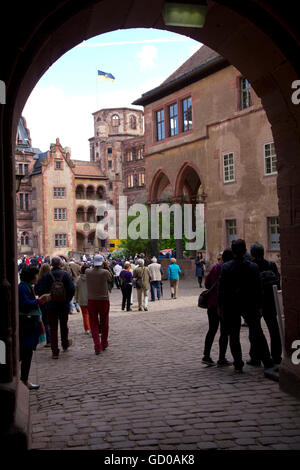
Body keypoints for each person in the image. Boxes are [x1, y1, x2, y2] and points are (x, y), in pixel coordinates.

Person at [218, 239, 274, 373]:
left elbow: (222, 289)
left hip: (232, 304)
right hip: (250, 303)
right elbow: (258, 288)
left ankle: (238, 363)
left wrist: (221, 307)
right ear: (245, 251)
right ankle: (267, 360)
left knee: (234, 334)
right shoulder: (253, 267)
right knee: (257, 332)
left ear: (232, 251)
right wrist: (260, 305)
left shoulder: (226, 267)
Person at [250, 242, 282, 366]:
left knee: (255, 331)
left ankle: (256, 357)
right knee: (274, 330)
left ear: (252, 254)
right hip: (270, 301)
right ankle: (276, 356)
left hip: (257, 303)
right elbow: (277, 282)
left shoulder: (252, 267)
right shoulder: (271, 264)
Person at [19, 266, 50, 389]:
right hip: (27, 323)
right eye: (36, 275)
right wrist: (39, 300)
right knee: (26, 352)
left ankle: (24, 378)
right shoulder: (23, 288)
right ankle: (24, 379)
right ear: (31, 277)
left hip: (30, 322)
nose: (37, 277)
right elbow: (25, 305)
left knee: (27, 352)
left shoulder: (27, 287)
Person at [37, 256, 75, 359]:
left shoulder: (47, 276)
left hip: (51, 305)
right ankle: (65, 344)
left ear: (51, 264)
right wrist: (67, 300)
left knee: (52, 328)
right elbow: (71, 289)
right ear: (60, 264)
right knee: (64, 325)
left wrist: (47, 301)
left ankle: (55, 351)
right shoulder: (65, 274)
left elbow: (41, 291)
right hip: (63, 304)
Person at [202, 249, 233, 366]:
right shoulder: (229, 268)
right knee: (224, 332)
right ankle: (221, 357)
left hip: (212, 304)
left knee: (212, 330)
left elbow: (207, 284)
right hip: (224, 304)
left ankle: (206, 355)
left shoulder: (215, 268)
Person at [86, 255, 113, 355]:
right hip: (103, 299)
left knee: (93, 323)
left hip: (91, 300)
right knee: (104, 322)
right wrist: (107, 266)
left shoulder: (88, 272)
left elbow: (83, 269)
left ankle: (97, 345)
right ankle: (104, 343)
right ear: (102, 262)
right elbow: (111, 278)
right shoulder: (105, 272)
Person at [35, 263, 51, 347]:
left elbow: (36, 290)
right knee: (53, 320)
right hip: (52, 300)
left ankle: (49, 340)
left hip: (43, 301)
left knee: (45, 320)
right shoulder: (52, 278)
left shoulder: (40, 279)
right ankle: (53, 339)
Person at [75, 264, 91, 335]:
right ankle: (91, 327)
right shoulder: (91, 278)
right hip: (90, 298)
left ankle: (87, 328)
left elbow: (76, 290)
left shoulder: (78, 279)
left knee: (85, 314)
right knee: (91, 314)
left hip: (82, 298)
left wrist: (76, 299)